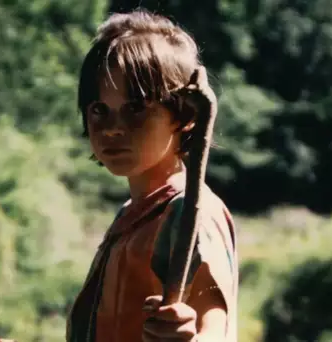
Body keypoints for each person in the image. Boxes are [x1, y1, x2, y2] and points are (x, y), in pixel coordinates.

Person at [65, 9, 239, 342]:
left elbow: (213, 327)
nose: (113, 129)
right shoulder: (131, 216)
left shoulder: (191, 214)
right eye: (99, 110)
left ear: (185, 114)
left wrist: (188, 336)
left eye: (136, 108)